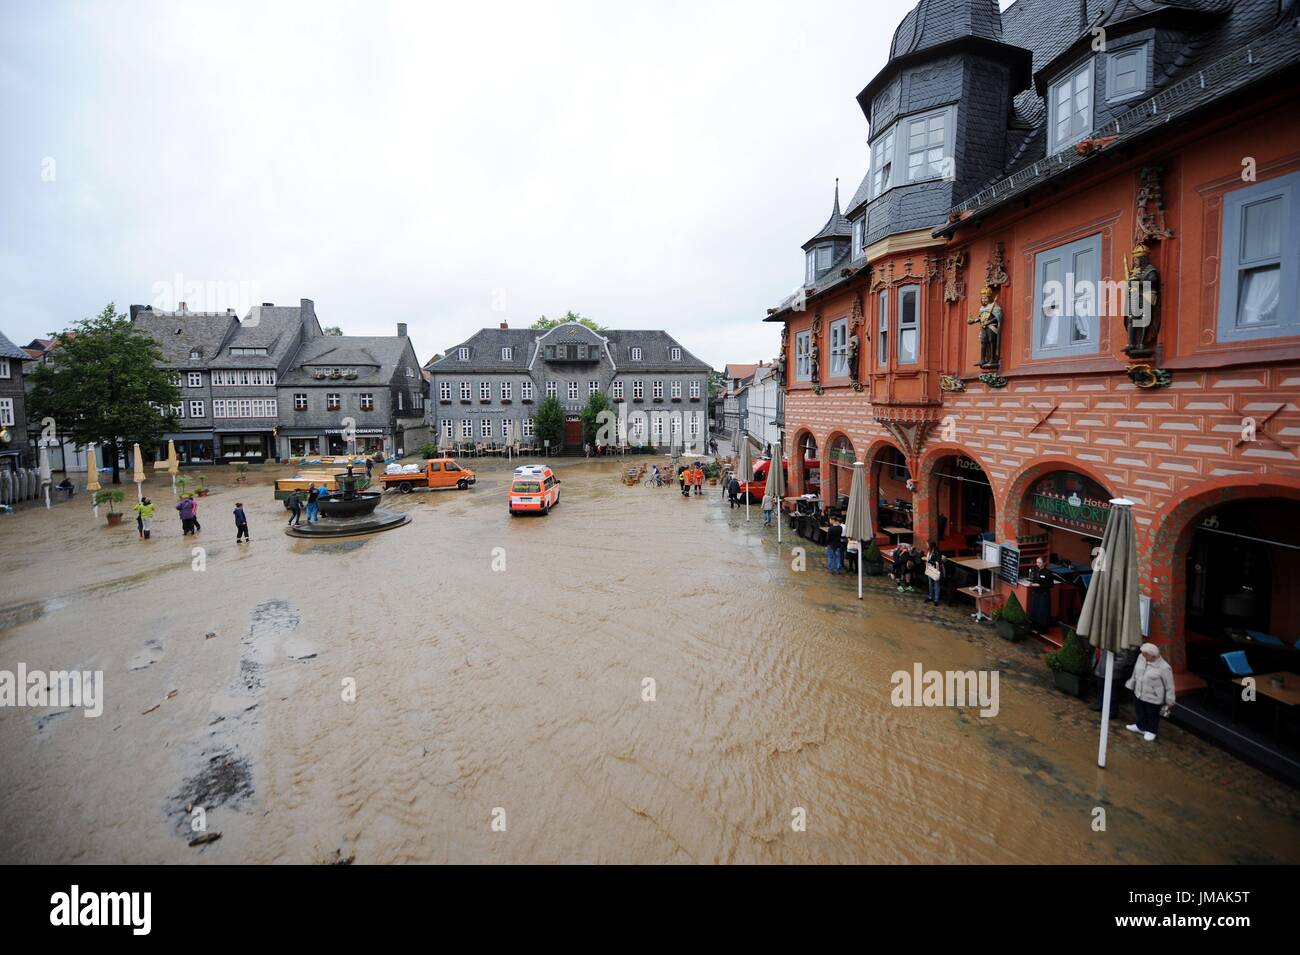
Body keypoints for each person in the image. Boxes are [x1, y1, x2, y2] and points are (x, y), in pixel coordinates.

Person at [1125, 642, 1175, 741]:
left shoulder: (1164, 668)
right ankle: (1141, 727)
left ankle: (1152, 731)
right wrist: (1131, 683)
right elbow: (1136, 671)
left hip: (1154, 697)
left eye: (1145, 654)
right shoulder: (1141, 657)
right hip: (1139, 692)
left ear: (1152, 655)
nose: (1142, 655)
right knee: (1140, 710)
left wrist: (1170, 700)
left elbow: (1170, 686)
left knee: (1152, 714)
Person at [1027, 556, 1054, 633]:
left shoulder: (1048, 573)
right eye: (1037, 562)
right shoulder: (1035, 570)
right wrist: (1032, 583)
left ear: (1044, 563)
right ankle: (1034, 627)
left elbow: (1051, 585)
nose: (1038, 564)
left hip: (1044, 594)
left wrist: (1040, 585)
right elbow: (1034, 579)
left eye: (1040, 563)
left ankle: (1043, 629)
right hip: (1036, 593)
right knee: (1035, 610)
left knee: (1043, 612)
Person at [923, 539, 944, 605]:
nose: (926, 545)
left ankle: (936, 600)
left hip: (935, 570)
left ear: (930, 545)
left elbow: (937, 562)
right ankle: (930, 597)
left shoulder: (937, 552)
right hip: (930, 569)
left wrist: (927, 560)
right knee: (930, 583)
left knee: (936, 584)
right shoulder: (930, 551)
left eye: (927, 544)